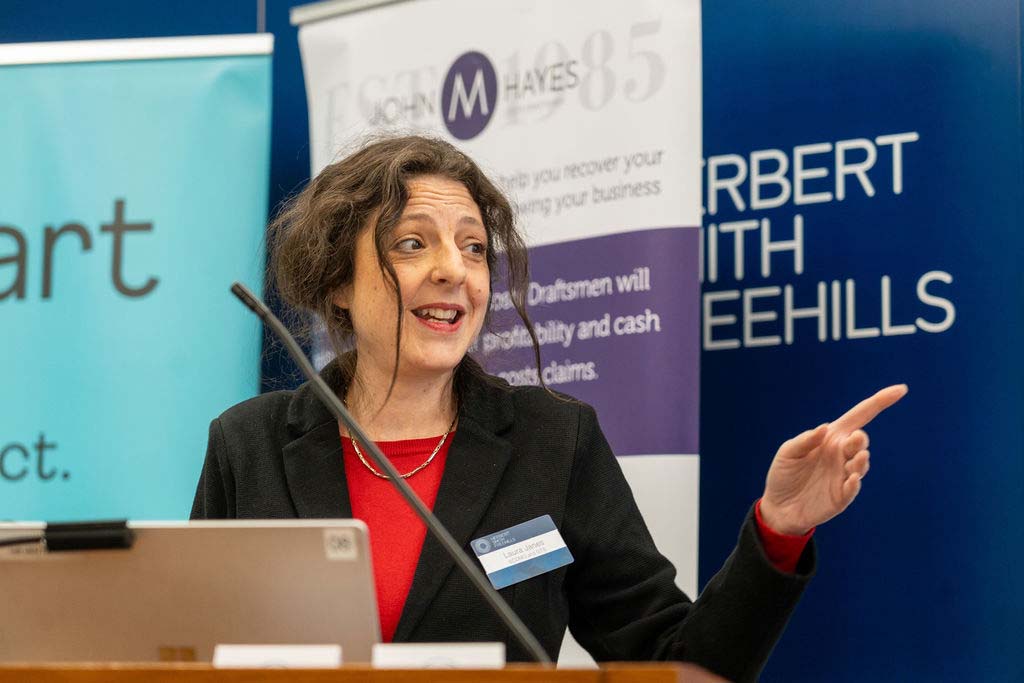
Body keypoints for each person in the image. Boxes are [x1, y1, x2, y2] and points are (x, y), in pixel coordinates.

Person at [191, 135, 906, 682]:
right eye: (412, 243)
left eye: (474, 248)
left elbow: (676, 663)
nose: (453, 269)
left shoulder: (554, 441)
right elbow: (183, 653)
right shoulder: (248, 446)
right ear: (337, 282)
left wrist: (779, 528)